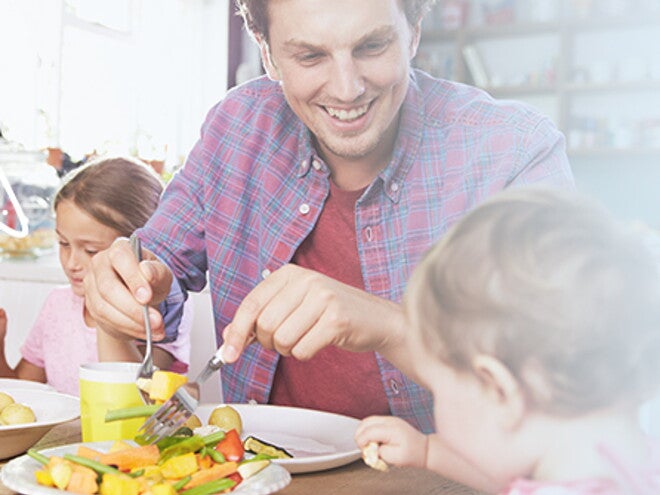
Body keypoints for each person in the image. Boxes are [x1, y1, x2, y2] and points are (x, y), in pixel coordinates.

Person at [83, 0, 574, 432]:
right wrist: (127, 280)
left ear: (414, 32)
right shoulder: (235, 128)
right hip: (262, 474)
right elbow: (158, 260)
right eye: (310, 56)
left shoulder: (514, 150)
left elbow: (562, 371)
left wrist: (392, 327)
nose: (346, 88)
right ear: (267, 52)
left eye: (372, 46)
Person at [354, 187, 660, 494]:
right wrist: (428, 452)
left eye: (439, 390)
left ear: (499, 389)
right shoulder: (634, 458)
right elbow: (513, 477)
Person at [0, 157, 192, 396]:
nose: (71, 263)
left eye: (91, 251)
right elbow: (23, 394)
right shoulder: (57, 306)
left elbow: (135, 396)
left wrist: (104, 314)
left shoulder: (159, 310)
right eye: (63, 243)